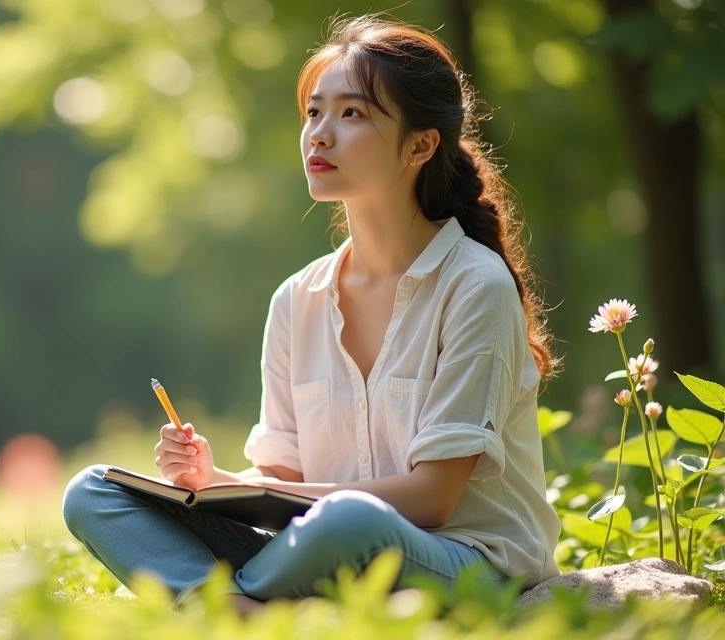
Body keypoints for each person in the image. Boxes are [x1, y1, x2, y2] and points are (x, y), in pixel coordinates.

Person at [61, 13, 562, 617]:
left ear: (420, 145)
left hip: (460, 559)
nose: (320, 135)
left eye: (352, 113)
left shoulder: (474, 284)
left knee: (346, 520)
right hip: (318, 546)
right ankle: (246, 607)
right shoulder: (296, 299)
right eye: (314, 113)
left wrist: (263, 492)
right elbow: (280, 476)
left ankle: (217, 605)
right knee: (93, 492)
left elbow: (432, 500)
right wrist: (216, 480)